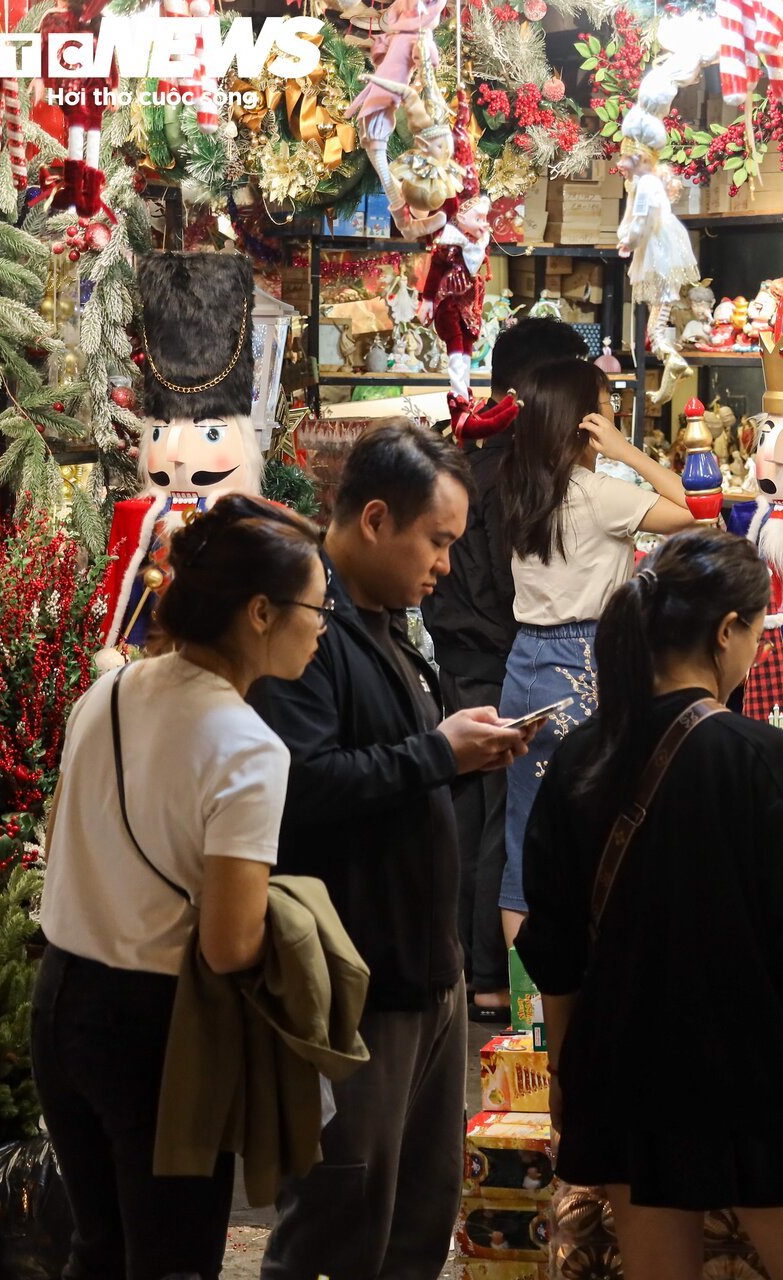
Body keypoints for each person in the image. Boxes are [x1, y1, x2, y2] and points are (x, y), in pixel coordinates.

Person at [517, 527, 783, 1280]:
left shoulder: (583, 757)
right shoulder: (762, 760)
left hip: (628, 1077)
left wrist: (568, 1071)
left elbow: (556, 947)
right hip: (751, 1078)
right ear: (727, 630)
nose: (758, 652)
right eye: (759, 633)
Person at [251, 422, 532, 1280]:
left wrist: (454, 747)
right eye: (436, 541)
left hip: (424, 971)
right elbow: (298, 786)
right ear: (375, 519)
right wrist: (438, 754)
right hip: (354, 987)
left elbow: (398, 769)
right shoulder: (307, 625)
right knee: (341, 1223)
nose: (445, 564)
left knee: (418, 1218)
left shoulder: (395, 623)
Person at [36, 495, 328, 1280]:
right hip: (156, 1033)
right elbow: (230, 946)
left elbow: (69, 843)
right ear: (261, 612)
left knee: (97, 1245)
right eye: (315, 607)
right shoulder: (248, 747)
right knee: (173, 1261)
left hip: (60, 1001)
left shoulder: (108, 692)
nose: (322, 626)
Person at [424, 317, 589, 1020]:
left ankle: (460, 970)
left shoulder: (466, 457)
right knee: (504, 820)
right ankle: (491, 979)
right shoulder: (514, 470)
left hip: (456, 659)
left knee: (466, 817)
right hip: (501, 660)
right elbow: (510, 583)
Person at [497, 357, 694, 942]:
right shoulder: (603, 493)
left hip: (526, 665)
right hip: (589, 665)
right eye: (609, 403)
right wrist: (627, 454)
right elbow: (692, 510)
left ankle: (526, 1007)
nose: (615, 412)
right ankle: (593, 985)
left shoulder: (519, 483)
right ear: (585, 420)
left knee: (524, 833)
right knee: (608, 828)